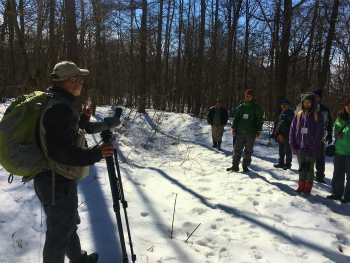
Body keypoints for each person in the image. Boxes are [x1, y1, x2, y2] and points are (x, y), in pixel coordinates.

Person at [34, 61, 115, 263]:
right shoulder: (59, 108)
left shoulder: (55, 100)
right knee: (58, 235)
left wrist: (82, 121)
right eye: (80, 79)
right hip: (56, 182)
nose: (82, 83)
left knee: (67, 225)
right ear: (71, 81)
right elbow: (58, 150)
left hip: (55, 179)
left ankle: (79, 259)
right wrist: (95, 153)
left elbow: (60, 134)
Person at [289, 93, 324, 195]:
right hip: (299, 146)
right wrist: (293, 143)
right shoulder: (298, 115)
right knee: (301, 166)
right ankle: (301, 185)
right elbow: (292, 130)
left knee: (309, 167)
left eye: (308, 102)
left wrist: (313, 145)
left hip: (311, 148)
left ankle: (308, 186)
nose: (306, 104)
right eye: (304, 102)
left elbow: (319, 131)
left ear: (312, 103)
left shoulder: (317, 115)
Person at [226, 89, 263, 172]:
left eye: (249, 96)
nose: (247, 98)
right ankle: (235, 165)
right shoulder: (241, 107)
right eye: (246, 96)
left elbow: (260, 120)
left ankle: (245, 166)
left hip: (251, 132)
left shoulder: (256, 108)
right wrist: (233, 128)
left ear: (253, 97)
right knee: (237, 149)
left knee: (248, 151)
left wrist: (258, 131)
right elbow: (236, 118)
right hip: (240, 132)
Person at [327, 98, 350, 203]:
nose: (349, 107)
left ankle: (348, 197)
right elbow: (336, 132)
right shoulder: (339, 119)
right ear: (345, 106)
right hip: (338, 151)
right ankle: (336, 194)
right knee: (337, 174)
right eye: (348, 105)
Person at [311, 89, 333, 184]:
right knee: (309, 158)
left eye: (317, 96)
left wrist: (330, 133)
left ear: (320, 98)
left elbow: (329, 122)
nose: (315, 97)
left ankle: (320, 176)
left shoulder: (325, 108)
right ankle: (308, 175)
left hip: (320, 137)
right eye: (313, 95)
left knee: (320, 158)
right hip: (309, 137)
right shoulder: (308, 106)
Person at [274, 100, 295, 170]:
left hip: (287, 135)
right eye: (282, 104)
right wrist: (277, 133)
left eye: (285, 104)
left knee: (288, 150)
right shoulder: (281, 114)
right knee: (281, 149)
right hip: (280, 134)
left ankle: (288, 164)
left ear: (288, 105)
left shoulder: (291, 114)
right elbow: (279, 124)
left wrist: (288, 135)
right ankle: (281, 163)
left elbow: (292, 126)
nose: (283, 106)